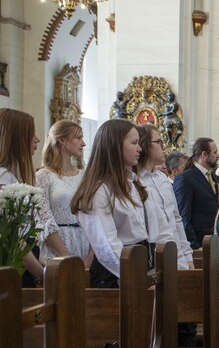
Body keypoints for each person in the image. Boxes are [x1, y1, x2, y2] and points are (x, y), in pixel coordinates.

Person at [71, 119, 172, 287]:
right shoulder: (99, 190)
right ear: (115, 146)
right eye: (134, 143)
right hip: (116, 273)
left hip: (142, 262)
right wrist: (135, 277)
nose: (140, 148)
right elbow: (107, 246)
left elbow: (158, 228)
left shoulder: (135, 183)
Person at [135, 124, 193, 270]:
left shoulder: (162, 179)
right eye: (159, 142)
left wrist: (187, 255)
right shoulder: (135, 180)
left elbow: (176, 219)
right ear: (145, 145)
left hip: (177, 255)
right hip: (154, 259)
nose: (164, 146)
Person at [35, 120, 92, 267]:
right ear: (62, 139)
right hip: (57, 248)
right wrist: (67, 258)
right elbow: (44, 220)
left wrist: (89, 258)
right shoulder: (43, 176)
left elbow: (94, 216)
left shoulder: (84, 175)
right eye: (78, 138)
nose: (84, 143)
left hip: (84, 244)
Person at [0, 108, 44, 286]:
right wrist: (42, 274)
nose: (37, 139)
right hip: (17, 267)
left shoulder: (10, 176)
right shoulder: (4, 179)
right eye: (31, 134)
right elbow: (12, 238)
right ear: (17, 139)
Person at [173, 137, 219, 249]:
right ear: (204, 154)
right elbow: (183, 216)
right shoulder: (185, 179)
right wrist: (194, 244)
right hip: (199, 244)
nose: (218, 156)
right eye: (215, 152)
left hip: (214, 241)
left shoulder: (215, 178)